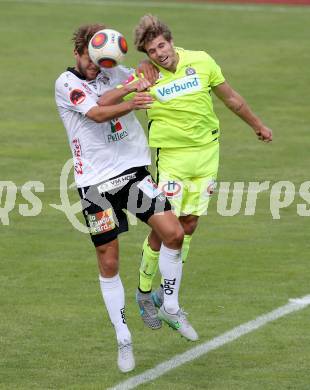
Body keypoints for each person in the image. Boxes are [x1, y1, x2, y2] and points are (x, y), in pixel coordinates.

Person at [55, 23, 198, 374]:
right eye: (90, 58)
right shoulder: (67, 83)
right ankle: (123, 335)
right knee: (109, 261)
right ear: (78, 53)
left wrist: (149, 67)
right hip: (95, 185)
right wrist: (132, 96)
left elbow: (157, 69)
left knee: (175, 233)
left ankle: (169, 305)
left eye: (101, 59)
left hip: (133, 174)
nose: (95, 65)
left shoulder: (118, 71)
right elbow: (98, 112)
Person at [130, 15, 273, 329]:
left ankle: (164, 295)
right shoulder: (146, 76)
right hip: (173, 159)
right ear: (147, 54)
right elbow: (110, 99)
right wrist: (136, 79)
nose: (160, 53)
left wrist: (257, 125)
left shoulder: (202, 61)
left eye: (162, 45)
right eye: (152, 51)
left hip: (207, 154)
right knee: (166, 229)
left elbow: (231, 99)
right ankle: (143, 292)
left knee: (189, 224)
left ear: (170, 40)